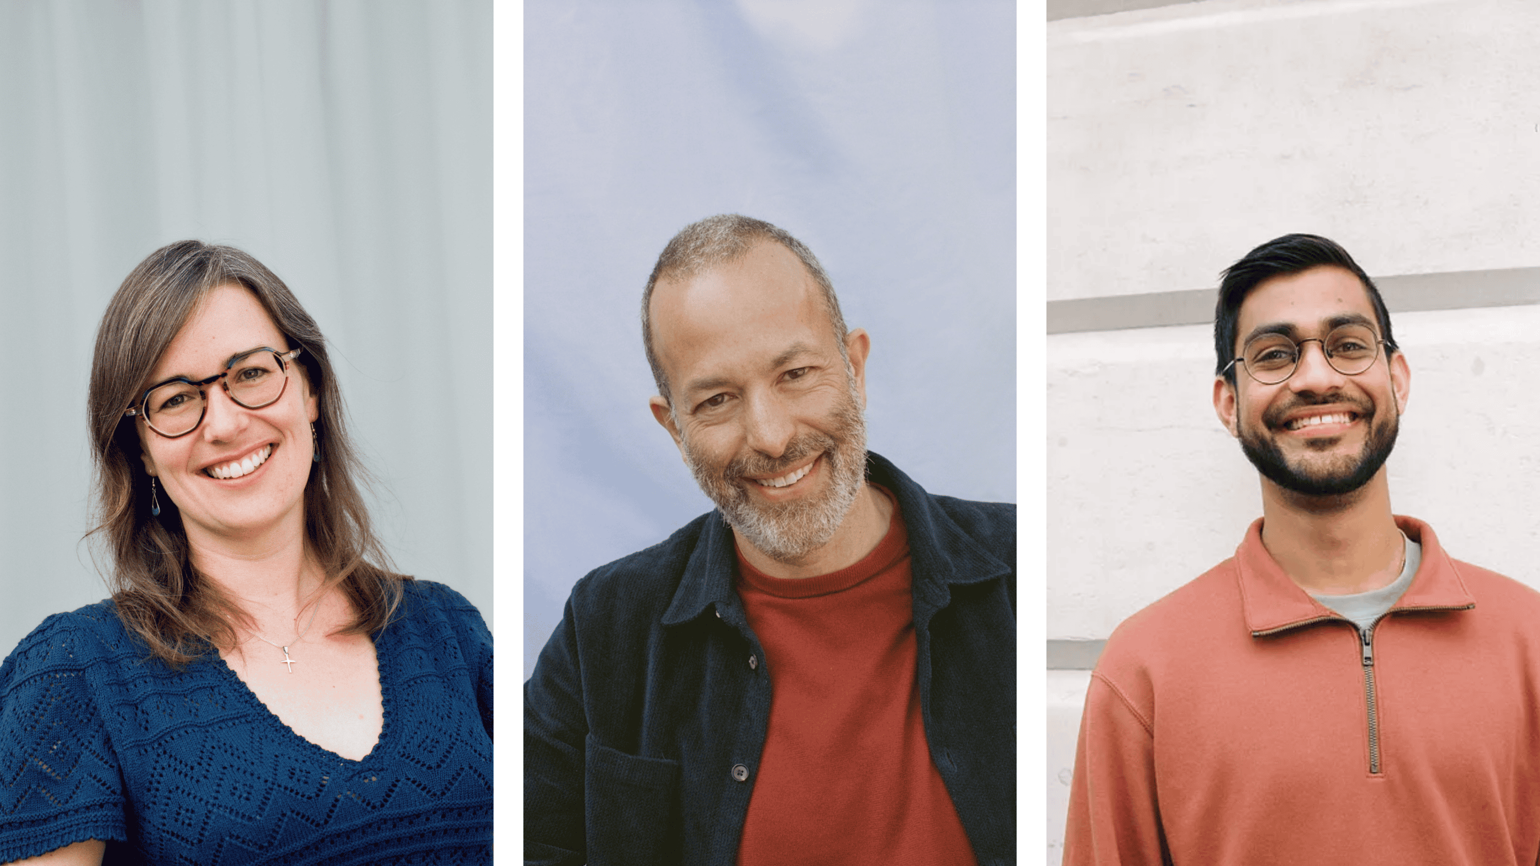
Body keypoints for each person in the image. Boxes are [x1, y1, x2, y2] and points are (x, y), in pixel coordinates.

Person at [523, 214, 1015, 865]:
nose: (773, 436)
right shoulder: (605, 629)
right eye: (718, 400)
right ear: (674, 430)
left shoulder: (1021, 572)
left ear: (856, 368)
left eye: (795, 374)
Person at [0, 242, 493, 865]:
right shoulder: (74, 677)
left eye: (251, 373)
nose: (225, 424)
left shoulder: (448, 633)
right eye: (176, 398)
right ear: (142, 449)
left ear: (309, 391)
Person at [1062, 234, 1540, 864]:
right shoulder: (1145, 668)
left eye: (1347, 346)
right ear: (1229, 403)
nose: (1316, 377)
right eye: (1274, 355)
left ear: (1396, 377)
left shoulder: (1528, 639)